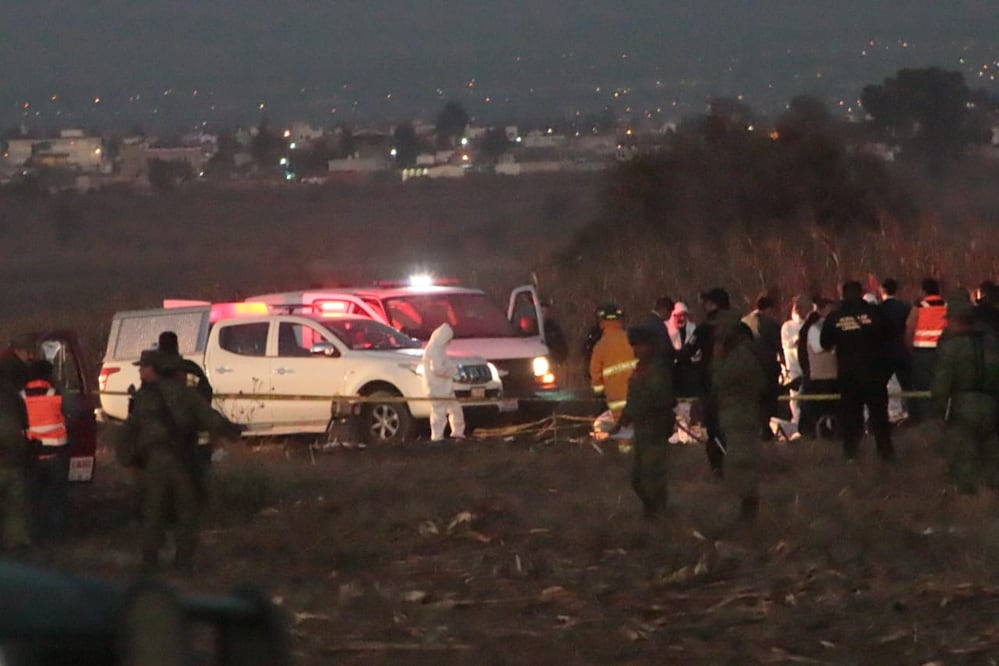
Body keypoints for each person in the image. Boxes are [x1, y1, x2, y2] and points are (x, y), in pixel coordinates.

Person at [121, 350, 240, 572]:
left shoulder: (144, 397)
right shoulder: (187, 394)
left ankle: (149, 561)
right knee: (187, 510)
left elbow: (130, 428)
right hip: (182, 460)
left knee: (153, 510)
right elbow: (209, 417)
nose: (140, 371)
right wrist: (232, 431)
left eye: (143, 367)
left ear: (156, 369)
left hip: (155, 461)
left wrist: (126, 457)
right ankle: (183, 562)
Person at [821, 281, 894, 461]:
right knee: (879, 416)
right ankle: (886, 454)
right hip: (874, 373)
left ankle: (851, 454)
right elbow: (889, 337)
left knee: (851, 417)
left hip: (848, 375)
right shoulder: (876, 313)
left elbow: (825, 343)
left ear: (843, 294)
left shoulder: (835, 317)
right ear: (862, 293)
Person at [931, 302, 999, 493]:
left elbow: (941, 383)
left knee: (963, 460)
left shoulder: (951, 347)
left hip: (963, 407)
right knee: (992, 456)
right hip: (991, 405)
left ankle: (969, 499)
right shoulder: (992, 344)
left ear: (956, 320)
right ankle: (992, 497)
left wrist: (939, 412)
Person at [610, 325, 675, 519]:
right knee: (638, 479)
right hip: (642, 430)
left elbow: (660, 398)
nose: (637, 350)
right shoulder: (640, 369)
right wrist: (622, 421)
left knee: (652, 476)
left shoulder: (657, 370)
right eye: (635, 346)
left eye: (641, 345)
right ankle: (653, 511)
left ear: (651, 346)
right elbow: (634, 400)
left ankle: (657, 514)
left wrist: (640, 402)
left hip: (655, 429)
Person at [711, 321, 767, 522]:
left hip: (740, 417)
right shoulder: (744, 354)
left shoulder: (740, 356)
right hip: (740, 416)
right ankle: (746, 509)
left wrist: (717, 359)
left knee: (740, 463)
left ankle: (748, 511)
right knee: (740, 463)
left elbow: (720, 380)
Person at [681, 288, 734, 476]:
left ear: (713, 305)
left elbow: (687, 353)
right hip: (736, 384)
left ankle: (718, 467)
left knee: (714, 428)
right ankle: (736, 464)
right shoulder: (739, 327)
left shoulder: (704, 328)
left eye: (707, 303)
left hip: (710, 384)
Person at [22, 360, 73, 542]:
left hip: (31, 456)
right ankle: (57, 537)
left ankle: (35, 536)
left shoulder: (19, 397)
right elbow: (75, 411)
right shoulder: (57, 394)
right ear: (49, 375)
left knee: (32, 498)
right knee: (57, 498)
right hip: (56, 455)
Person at [158, 331, 215, 468]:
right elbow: (207, 393)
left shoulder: (158, 372)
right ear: (177, 347)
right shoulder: (192, 368)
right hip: (198, 438)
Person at [742, 295, 783, 440]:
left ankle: (753, 429)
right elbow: (779, 346)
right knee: (767, 401)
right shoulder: (770, 324)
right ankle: (764, 429)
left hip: (746, 368)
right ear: (769, 309)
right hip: (767, 369)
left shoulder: (743, 322)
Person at [906, 278, 947, 423]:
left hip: (922, 353)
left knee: (922, 389)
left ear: (923, 291)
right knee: (942, 386)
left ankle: (926, 420)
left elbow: (909, 330)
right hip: (943, 352)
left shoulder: (919, 307)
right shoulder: (947, 306)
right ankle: (940, 417)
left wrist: (909, 349)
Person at [798, 297, 838, 438]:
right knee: (819, 408)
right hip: (818, 375)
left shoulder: (824, 325)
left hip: (828, 374)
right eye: (830, 309)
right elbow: (818, 347)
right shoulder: (814, 327)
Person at [589, 304, 637, 420]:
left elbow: (595, 375)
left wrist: (599, 391)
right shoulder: (631, 339)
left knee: (621, 428)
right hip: (636, 397)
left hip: (616, 401)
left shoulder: (600, 346)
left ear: (601, 322)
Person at [0, 377, 30, 554]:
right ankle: (15, 543)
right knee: (15, 503)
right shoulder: (12, 394)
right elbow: (25, 423)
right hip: (13, 454)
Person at [422, 323, 466, 442]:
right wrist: (451, 372)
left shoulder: (439, 350)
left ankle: (457, 433)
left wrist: (452, 370)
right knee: (439, 413)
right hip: (436, 388)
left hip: (445, 387)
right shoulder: (434, 351)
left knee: (455, 409)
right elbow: (437, 369)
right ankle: (437, 437)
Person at [667, 302, 701, 443]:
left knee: (689, 402)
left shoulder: (693, 330)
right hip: (673, 370)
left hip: (690, 370)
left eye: (684, 316)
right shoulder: (667, 330)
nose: (681, 319)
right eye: (678, 316)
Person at [880, 278, 913, 424]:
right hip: (901, 349)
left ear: (883, 290)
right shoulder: (904, 307)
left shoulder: (879, 309)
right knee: (907, 384)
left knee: (882, 386)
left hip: (885, 351)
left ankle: (885, 415)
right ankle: (911, 414)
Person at [780, 296, 813, 433]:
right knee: (796, 396)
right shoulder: (788, 326)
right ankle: (797, 424)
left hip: (809, 366)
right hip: (794, 368)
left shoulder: (811, 324)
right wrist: (800, 337)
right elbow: (788, 343)